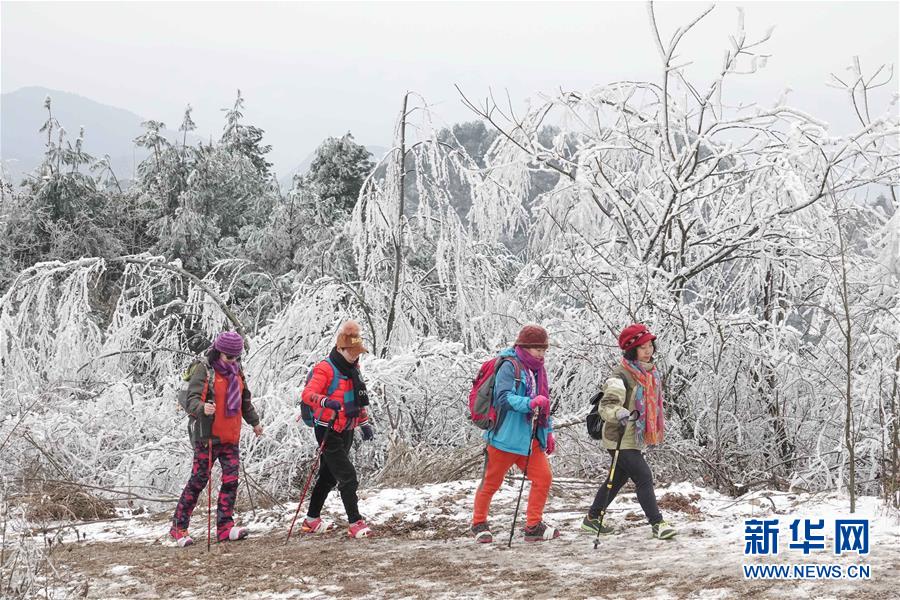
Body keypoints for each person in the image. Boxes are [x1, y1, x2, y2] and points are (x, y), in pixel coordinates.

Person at [581, 323, 676, 540]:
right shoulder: (621, 375)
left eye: (650, 345)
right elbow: (607, 405)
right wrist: (619, 412)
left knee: (619, 479)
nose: (648, 350)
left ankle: (592, 518)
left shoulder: (651, 373)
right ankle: (657, 523)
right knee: (643, 476)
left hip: (634, 437)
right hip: (619, 436)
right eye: (642, 347)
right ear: (632, 350)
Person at [170, 330, 263, 547]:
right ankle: (178, 527)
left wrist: (255, 422)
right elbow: (191, 400)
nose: (233, 360)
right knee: (198, 481)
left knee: (231, 482)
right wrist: (203, 407)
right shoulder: (204, 370)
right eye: (229, 357)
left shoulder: (237, 370)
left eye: (237, 357)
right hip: (207, 437)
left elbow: (244, 400)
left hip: (231, 437)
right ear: (218, 352)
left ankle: (225, 527)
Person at [471, 324, 558, 543]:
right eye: (536, 349)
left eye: (543, 349)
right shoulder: (510, 366)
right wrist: (530, 403)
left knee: (543, 477)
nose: (541, 353)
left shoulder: (538, 369)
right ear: (523, 346)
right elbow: (503, 398)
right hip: (503, 439)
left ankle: (533, 525)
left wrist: (547, 432)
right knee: (491, 483)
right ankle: (479, 523)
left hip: (530, 440)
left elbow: (544, 404)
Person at [299, 320, 375, 538]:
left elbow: (358, 398)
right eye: (352, 352)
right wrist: (325, 402)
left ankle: (311, 520)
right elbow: (307, 394)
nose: (356, 355)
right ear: (341, 348)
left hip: (347, 427)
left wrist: (364, 423)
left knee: (328, 476)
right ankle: (355, 523)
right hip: (327, 428)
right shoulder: (325, 368)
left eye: (358, 351)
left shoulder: (354, 368)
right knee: (347, 476)